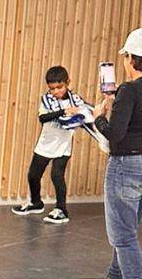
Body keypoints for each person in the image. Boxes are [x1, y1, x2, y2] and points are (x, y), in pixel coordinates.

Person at [12, 65, 101, 224]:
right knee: (33, 175)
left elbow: (86, 115)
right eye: (52, 88)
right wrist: (63, 112)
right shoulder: (47, 100)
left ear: (68, 83)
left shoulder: (75, 100)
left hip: (63, 144)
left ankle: (61, 209)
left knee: (57, 175)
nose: (56, 91)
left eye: (59, 87)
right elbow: (43, 118)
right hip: (46, 143)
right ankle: (36, 203)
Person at [94, 28, 142, 279]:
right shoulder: (126, 94)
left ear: (131, 59)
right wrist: (116, 104)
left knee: (123, 237)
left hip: (126, 166)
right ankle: (115, 274)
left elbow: (115, 134)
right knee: (128, 228)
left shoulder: (129, 90)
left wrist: (98, 118)